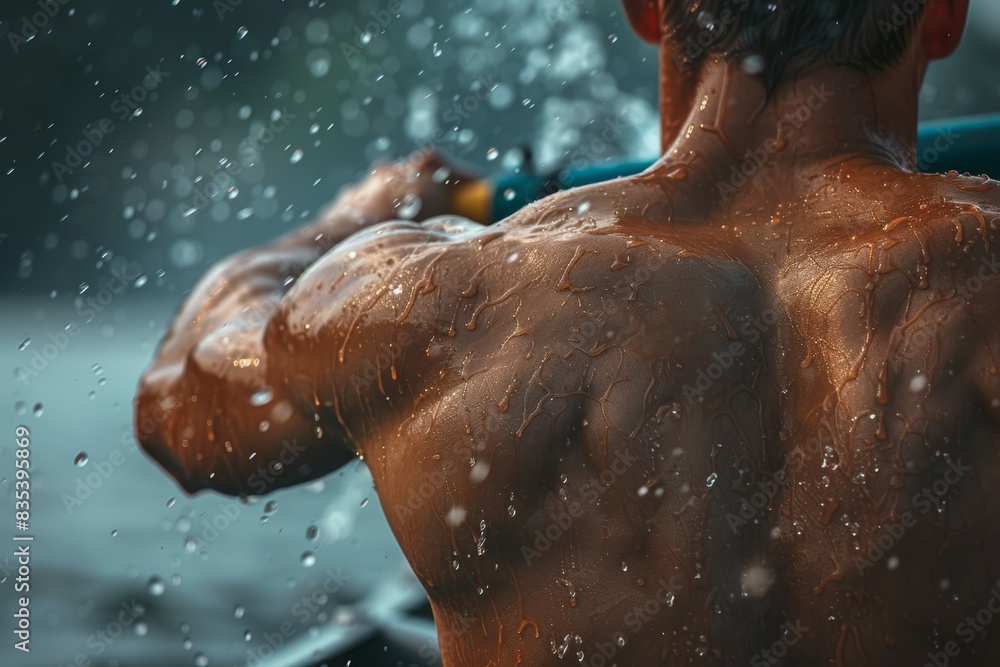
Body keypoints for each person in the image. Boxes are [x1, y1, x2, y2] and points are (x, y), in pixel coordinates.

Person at [136, 0, 1000, 663]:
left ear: (647, 9)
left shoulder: (435, 297)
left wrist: (334, 230)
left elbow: (179, 404)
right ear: (945, 14)